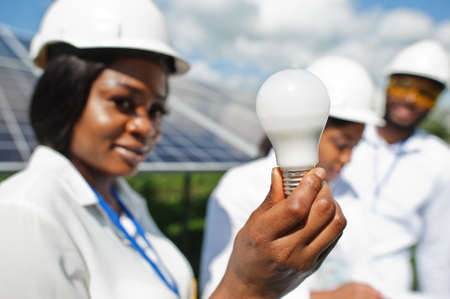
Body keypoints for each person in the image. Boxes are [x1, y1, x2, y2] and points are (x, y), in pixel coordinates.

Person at [0, 0, 346, 298]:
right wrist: (246, 287)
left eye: (156, 110)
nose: (145, 126)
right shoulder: (27, 213)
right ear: (64, 93)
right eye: (123, 102)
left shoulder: (124, 204)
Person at [200, 55, 384, 298]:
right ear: (310, 122)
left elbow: (362, 265)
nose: (347, 158)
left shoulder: (348, 189)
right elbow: (220, 287)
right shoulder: (240, 187)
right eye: (341, 144)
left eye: (355, 146)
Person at [325, 39, 450, 299]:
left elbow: (438, 248)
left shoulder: (440, 159)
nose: (409, 99)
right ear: (388, 84)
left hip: (391, 290)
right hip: (326, 283)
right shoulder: (343, 139)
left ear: (435, 101)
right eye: (403, 86)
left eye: (425, 93)